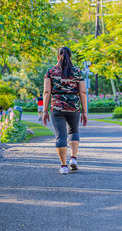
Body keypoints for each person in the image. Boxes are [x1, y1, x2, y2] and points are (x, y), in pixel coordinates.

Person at [43, 47, 87, 175]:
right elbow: (83, 92)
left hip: (57, 107)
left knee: (61, 135)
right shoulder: (77, 72)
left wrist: (44, 111)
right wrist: (84, 112)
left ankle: (63, 166)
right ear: (71, 57)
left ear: (58, 57)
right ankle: (73, 158)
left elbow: (47, 92)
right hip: (74, 107)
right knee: (73, 131)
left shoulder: (50, 72)